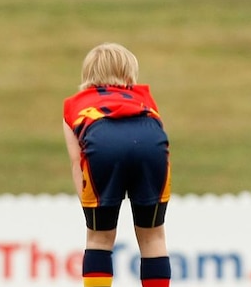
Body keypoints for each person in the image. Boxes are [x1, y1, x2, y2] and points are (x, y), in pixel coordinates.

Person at [62, 43, 172, 287]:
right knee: (153, 236)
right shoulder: (144, 97)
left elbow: (76, 161)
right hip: (150, 145)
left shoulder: (74, 104)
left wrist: (87, 203)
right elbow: (158, 134)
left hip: (102, 145)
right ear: (128, 74)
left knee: (99, 238)